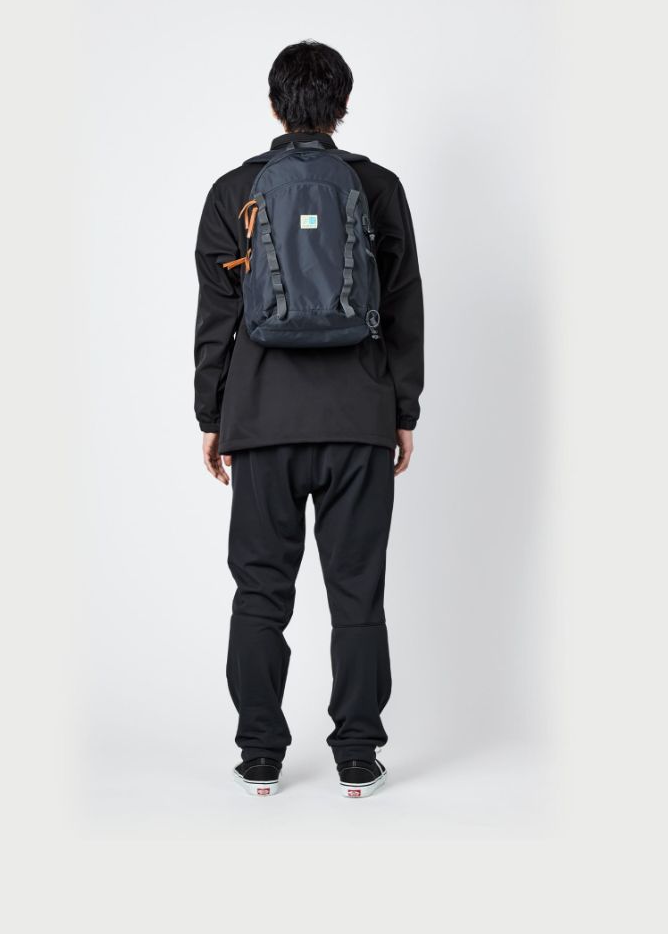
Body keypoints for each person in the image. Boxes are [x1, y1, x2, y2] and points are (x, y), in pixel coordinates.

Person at [193, 41, 424, 798]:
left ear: (273, 105)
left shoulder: (234, 191)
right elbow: (404, 304)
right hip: (359, 418)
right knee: (357, 594)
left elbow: (217, 316)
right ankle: (357, 756)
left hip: (261, 421)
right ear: (343, 106)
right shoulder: (378, 187)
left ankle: (260, 756)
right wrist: (402, 409)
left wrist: (211, 415)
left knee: (261, 594)